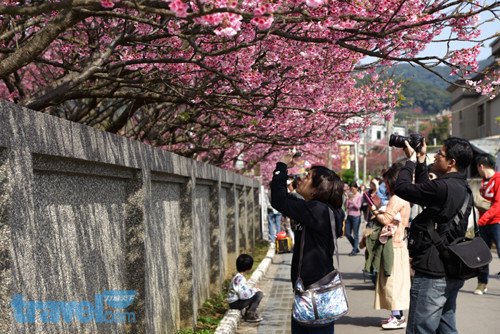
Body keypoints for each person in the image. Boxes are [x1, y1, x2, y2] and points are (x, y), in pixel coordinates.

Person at [393, 137, 474, 334]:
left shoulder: (443, 187)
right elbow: (425, 194)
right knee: (446, 327)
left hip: (432, 271)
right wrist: (421, 161)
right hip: (450, 267)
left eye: (440, 154)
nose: (436, 157)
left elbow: (402, 188)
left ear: (451, 162)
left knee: (420, 329)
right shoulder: (462, 187)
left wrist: (410, 160)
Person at [271, 151, 345, 334]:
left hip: (312, 292)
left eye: (308, 177)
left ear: (316, 189)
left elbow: (279, 200)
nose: (302, 178)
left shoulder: (317, 211)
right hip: (314, 288)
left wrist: (281, 166)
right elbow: (285, 200)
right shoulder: (328, 210)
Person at [370, 163, 411, 330]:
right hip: (400, 244)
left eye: (386, 182)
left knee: (391, 281)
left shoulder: (396, 198)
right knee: (397, 282)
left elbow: (386, 220)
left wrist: (375, 211)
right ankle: (397, 315)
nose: (384, 185)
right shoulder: (405, 198)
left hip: (392, 246)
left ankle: (396, 317)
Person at [474, 153, 500, 295]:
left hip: (497, 222)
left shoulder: (498, 180)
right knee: (483, 255)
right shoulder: (483, 182)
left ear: (481, 166)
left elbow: (497, 205)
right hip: (484, 223)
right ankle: (482, 283)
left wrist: (482, 220)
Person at [227, 254, 264, 322]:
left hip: (232, 302)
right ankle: (250, 314)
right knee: (259, 294)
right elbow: (244, 295)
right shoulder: (241, 279)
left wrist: (252, 290)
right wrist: (254, 290)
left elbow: (243, 290)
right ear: (249, 268)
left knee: (255, 293)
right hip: (236, 303)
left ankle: (249, 312)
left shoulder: (237, 277)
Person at [345, 182, 363, 255]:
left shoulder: (359, 196)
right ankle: (355, 247)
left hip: (356, 216)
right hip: (349, 216)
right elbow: (347, 207)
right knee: (347, 233)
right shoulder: (350, 195)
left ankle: (355, 250)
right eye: (351, 189)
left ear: (356, 188)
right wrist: (347, 199)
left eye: (353, 189)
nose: (352, 190)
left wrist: (352, 200)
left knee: (355, 234)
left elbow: (358, 207)